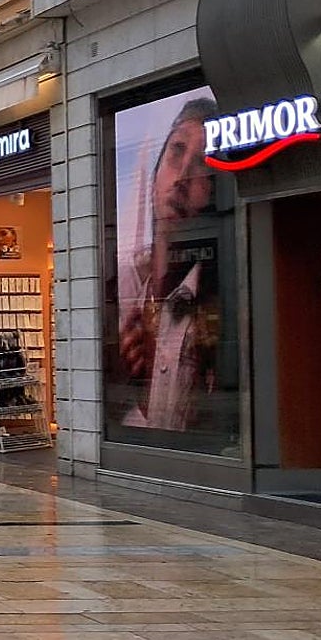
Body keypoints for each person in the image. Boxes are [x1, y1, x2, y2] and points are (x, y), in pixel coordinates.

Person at [116, 96, 222, 433]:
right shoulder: (125, 288)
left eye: (204, 167)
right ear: (156, 174)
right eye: (177, 151)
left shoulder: (213, 304)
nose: (182, 178)